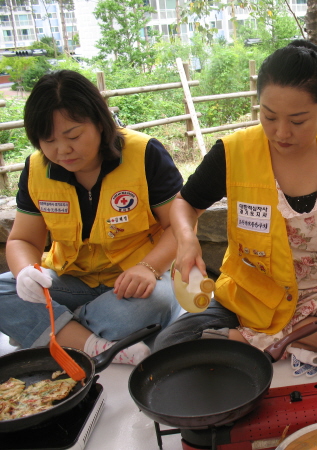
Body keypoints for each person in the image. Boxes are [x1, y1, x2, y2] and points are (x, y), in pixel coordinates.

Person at [153, 40, 317, 373]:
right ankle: (294, 338)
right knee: (168, 344)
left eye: (298, 121)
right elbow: (185, 203)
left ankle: (255, 341)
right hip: (251, 297)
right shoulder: (234, 151)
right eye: (269, 117)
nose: (281, 132)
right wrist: (186, 240)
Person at [0, 70, 183, 365]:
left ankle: (48, 329)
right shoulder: (36, 169)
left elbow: (180, 226)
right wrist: (25, 273)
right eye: (48, 140)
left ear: (100, 123)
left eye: (73, 135)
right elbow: (22, 239)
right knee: (2, 291)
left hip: (135, 283)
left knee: (154, 304)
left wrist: (149, 267)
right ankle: (94, 343)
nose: (62, 150)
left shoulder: (144, 153)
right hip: (69, 279)